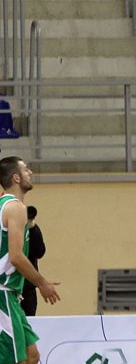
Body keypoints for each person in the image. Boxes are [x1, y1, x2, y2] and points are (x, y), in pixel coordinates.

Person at [0, 156, 60, 364]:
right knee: (12, 360)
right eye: (26, 169)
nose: (31, 172)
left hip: (12, 295)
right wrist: (42, 283)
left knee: (32, 355)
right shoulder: (15, 208)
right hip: (3, 293)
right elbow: (16, 256)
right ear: (16, 178)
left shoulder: (5, 205)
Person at [20, 206, 46, 317]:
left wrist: (32, 228)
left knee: (28, 320)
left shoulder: (32, 229)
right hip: (8, 286)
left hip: (27, 288)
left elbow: (40, 252)